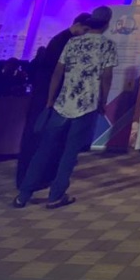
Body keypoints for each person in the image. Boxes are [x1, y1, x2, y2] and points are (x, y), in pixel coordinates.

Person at [14, 13, 118, 209]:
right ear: (106, 25)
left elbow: (58, 72)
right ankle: (56, 195)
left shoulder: (73, 42)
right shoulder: (108, 45)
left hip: (62, 103)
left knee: (43, 149)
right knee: (70, 153)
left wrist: (51, 99)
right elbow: (106, 77)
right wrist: (103, 100)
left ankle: (23, 195)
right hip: (86, 104)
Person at [16, 13, 91, 190]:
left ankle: (37, 178)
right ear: (77, 25)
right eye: (85, 30)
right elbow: (57, 73)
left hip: (48, 97)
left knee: (43, 138)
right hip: (49, 98)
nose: (86, 34)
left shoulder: (61, 40)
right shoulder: (63, 42)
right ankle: (32, 179)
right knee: (40, 139)